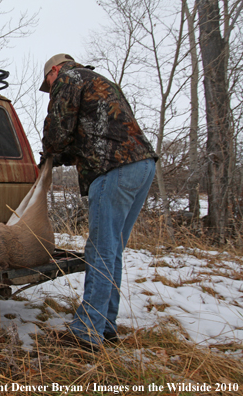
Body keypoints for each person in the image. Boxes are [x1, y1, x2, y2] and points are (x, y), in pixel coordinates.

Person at [39, 54, 158, 351]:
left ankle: (86, 331)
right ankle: (106, 326)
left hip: (113, 169)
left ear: (55, 70)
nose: (50, 89)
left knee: (101, 251)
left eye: (48, 83)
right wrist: (64, 155)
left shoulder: (69, 78)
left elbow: (58, 129)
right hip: (142, 166)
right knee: (113, 249)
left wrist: (48, 156)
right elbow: (91, 134)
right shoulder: (101, 83)